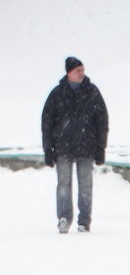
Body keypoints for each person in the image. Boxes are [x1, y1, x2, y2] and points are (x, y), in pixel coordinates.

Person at [41, 56, 109, 233]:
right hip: (63, 147)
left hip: (86, 147)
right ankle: (64, 218)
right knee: (63, 184)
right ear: (69, 73)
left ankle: (84, 220)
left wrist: (100, 148)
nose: (82, 73)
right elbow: (47, 122)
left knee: (85, 185)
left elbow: (102, 120)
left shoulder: (92, 92)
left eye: (83, 70)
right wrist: (48, 149)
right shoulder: (57, 94)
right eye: (78, 70)